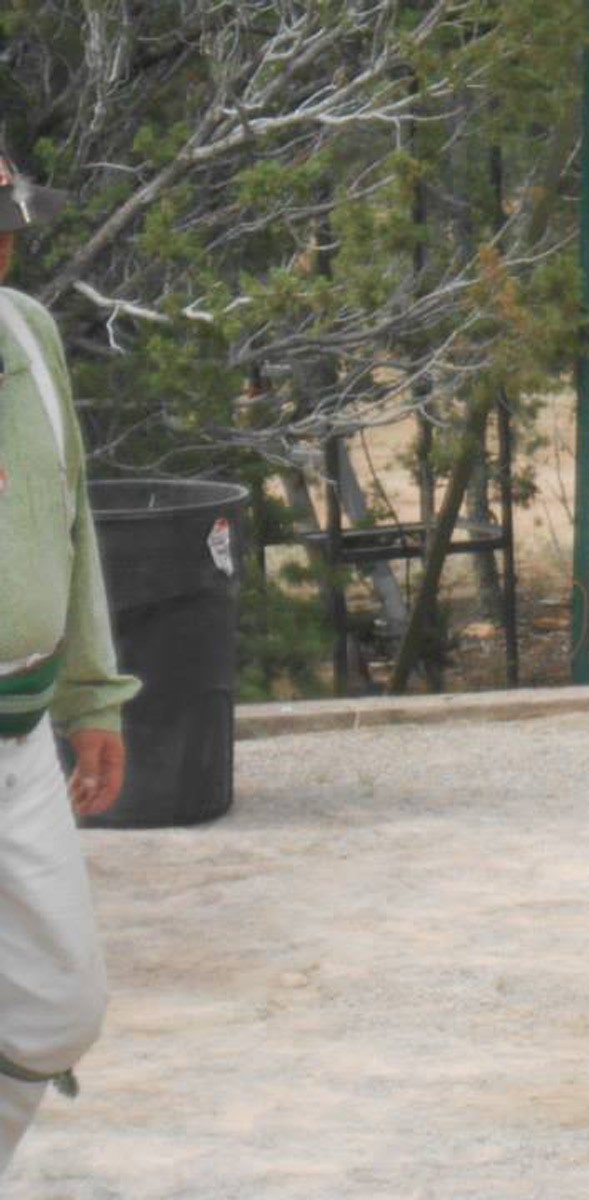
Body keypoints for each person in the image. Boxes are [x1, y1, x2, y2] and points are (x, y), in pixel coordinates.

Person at [0, 151, 138, 1177]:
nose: (5, 247)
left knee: (59, 1009)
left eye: (7, 225)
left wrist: (93, 698)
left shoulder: (28, 333)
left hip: (20, 741)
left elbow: (72, 515)